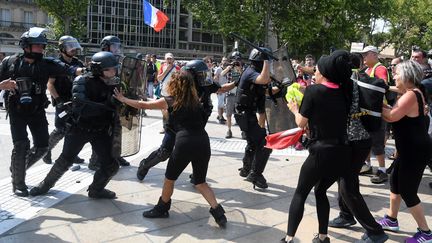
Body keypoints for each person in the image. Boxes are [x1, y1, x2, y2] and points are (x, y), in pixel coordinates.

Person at [113, 70, 227, 227]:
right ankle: (219, 214)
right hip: (203, 142)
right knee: (201, 182)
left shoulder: (170, 101)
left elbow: (142, 105)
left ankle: (162, 208)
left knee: (169, 179)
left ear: (175, 85)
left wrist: (122, 98)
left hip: (184, 143)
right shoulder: (196, 101)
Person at [0, 27, 86, 197]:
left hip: (37, 110)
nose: (42, 48)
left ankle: (19, 167)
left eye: (42, 45)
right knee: (21, 145)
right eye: (38, 45)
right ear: (26, 46)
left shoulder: (47, 64)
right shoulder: (9, 62)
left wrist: (87, 70)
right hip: (16, 110)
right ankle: (18, 182)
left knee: (42, 147)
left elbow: (70, 69)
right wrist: (2, 85)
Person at [281, 50, 352, 243]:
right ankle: (323, 236)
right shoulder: (345, 92)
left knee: (300, 193)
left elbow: (301, 123)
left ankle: (288, 239)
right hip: (341, 152)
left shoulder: (314, 91)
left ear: (325, 73)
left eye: (316, 70)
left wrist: (295, 109)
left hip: (321, 152)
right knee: (320, 191)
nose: (314, 72)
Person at [29, 51, 122, 199]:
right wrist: (107, 105)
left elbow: (119, 104)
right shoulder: (82, 80)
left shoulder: (114, 82)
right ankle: (45, 185)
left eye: (114, 68)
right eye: (109, 69)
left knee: (111, 165)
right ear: (98, 69)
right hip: (79, 128)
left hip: (101, 129)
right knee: (65, 160)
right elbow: (81, 106)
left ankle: (96, 190)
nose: (114, 71)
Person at [327, 53, 388, 242]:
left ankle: (375, 231)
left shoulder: (347, 84)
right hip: (357, 140)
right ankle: (346, 215)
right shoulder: (355, 80)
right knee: (343, 179)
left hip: (355, 142)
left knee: (348, 186)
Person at [377, 60, 432, 242]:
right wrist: (379, 103)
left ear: (408, 76)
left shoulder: (411, 95)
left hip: (415, 151)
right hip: (408, 149)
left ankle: (425, 233)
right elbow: (394, 110)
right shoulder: (410, 93)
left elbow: (392, 116)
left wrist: (373, 103)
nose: (395, 76)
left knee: (408, 191)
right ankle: (392, 220)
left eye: (398, 73)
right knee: (395, 183)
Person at [43, 35, 86, 165]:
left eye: (74, 47)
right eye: (70, 47)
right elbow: (50, 84)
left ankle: (71, 154)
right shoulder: (56, 64)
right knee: (60, 129)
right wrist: (59, 101)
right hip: (61, 100)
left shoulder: (78, 63)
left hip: (75, 101)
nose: (73, 50)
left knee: (75, 129)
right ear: (62, 49)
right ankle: (46, 151)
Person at [88, 35, 130, 169]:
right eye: (114, 46)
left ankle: (116, 155)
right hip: (101, 101)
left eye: (118, 46)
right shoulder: (99, 59)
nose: (117, 49)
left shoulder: (117, 60)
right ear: (105, 47)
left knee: (117, 128)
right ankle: (94, 161)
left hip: (114, 100)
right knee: (100, 132)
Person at [234, 48, 273, 189]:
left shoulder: (252, 72)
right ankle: (255, 173)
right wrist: (267, 62)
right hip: (244, 113)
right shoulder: (251, 72)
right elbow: (263, 79)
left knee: (253, 142)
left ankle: (246, 169)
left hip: (246, 113)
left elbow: (266, 88)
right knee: (265, 143)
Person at [358, 46, 389, 184]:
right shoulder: (366, 70)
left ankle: (382, 170)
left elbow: (382, 85)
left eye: (365, 55)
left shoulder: (380, 68)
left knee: (376, 141)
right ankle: (367, 165)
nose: (363, 57)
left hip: (378, 112)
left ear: (373, 55)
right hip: (367, 111)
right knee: (366, 139)